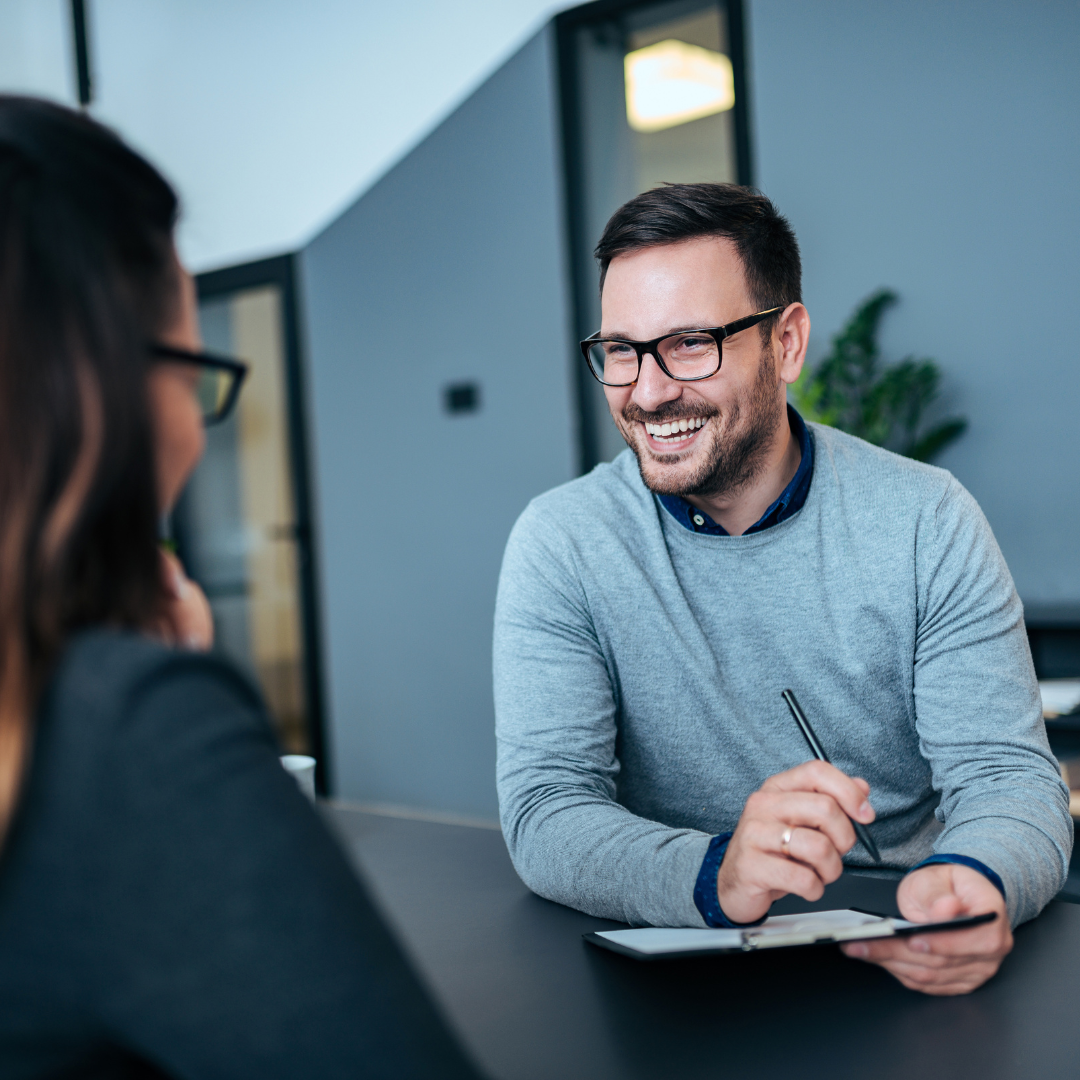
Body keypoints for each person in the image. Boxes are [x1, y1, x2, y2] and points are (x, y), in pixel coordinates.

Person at [0, 96, 482, 1079]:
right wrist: (159, 689)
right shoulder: (124, 737)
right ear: (97, 390)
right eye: (191, 371)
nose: (194, 431)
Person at [494, 182, 1072, 996]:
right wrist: (718, 873)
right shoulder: (563, 542)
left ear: (788, 342)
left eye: (690, 342)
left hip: (899, 960)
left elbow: (1009, 779)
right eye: (622, 350)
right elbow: (547, 811)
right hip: (674, 980)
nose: (649, 390)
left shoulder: (924, 519)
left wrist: (976, 879)